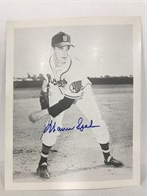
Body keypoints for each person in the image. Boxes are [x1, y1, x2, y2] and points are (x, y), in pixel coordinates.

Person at [29, 31, 124, 179]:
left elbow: (67, 102)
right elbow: (46, 80)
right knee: (53, 124)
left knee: (97, 122)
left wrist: (42, 113)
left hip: (82, 93)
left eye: (67, 48)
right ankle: (42, 163)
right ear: (53, 48)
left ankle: (108, 157)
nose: (65, 52)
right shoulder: (47, 62)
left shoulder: (76, 67)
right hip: (58, 90)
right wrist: (43, 93)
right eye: (61, 48)